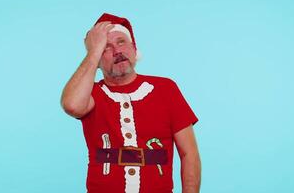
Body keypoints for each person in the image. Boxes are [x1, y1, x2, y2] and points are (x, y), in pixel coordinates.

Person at [60, 13, 201, 193]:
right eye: (106, 48)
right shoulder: (90, 94)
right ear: (96, 60)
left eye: (121, 42)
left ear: (134, 49)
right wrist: (93, 51)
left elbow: (189, 154)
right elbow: (72, 105)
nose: (117, 51)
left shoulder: (166, 89)